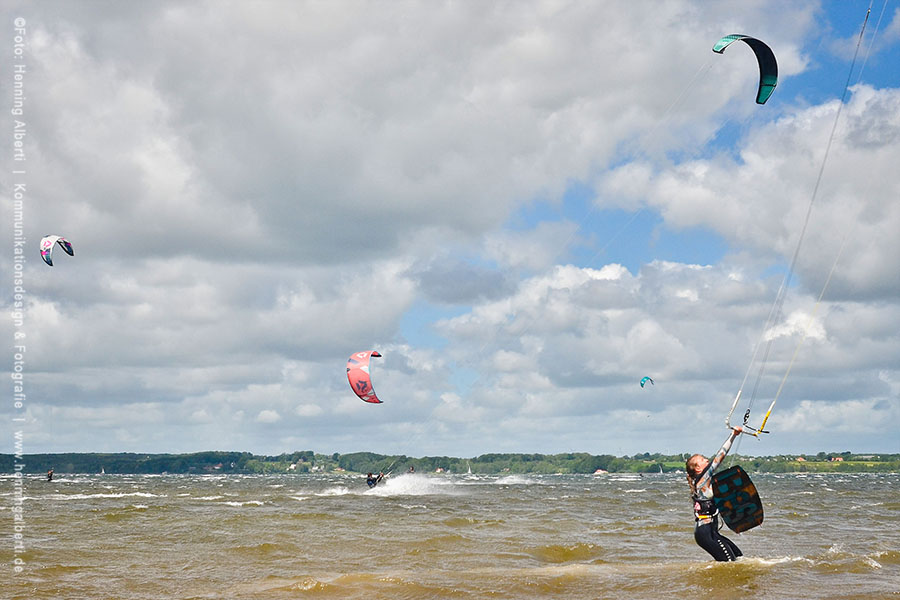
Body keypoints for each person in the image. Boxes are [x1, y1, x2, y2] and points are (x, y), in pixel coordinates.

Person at [685, 426, 744, 561]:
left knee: (739, 557)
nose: (707, 460)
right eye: (703, 459)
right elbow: (719, 457)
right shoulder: (702, 481)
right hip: (705, 533)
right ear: (698, 468)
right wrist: (733, 435)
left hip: (710, 532)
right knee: (730, 562)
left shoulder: (705, 484)